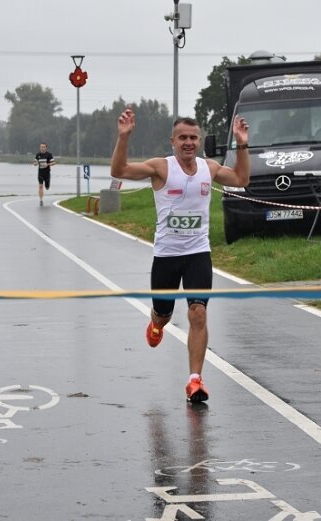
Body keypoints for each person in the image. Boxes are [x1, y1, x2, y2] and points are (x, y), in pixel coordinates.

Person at [110, 107, 250, 403]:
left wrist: (241, 144)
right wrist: (124, 137)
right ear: (172, 141)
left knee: (198, 313)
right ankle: (155, 324)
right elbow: (119, 171)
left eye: (193, 138)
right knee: (164, 314)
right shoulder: (161, 167)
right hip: (166, 256)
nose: (188, 142)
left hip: (198, 253)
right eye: (182, 137)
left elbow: (240, 179)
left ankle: (195, 380)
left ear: (199, 141)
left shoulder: (208, 168)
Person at [34, 143, 56, 207]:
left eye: (43, 147)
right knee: (40, 186)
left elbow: (54, 163)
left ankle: (47, 185)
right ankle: (41, 200)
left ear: (46, 148)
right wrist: (36, 163)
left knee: (47, 187)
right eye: (41, 147)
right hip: (40, 173)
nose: (42, 148)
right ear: (39, 147)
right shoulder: (38, 155)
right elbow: (35, 162)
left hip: (47, 174)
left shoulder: (49, 155)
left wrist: (48, 164)